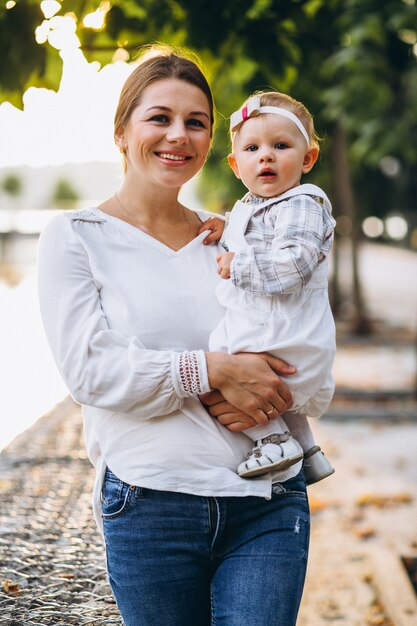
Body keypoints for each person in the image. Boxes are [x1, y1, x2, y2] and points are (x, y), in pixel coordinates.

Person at [38, 46, 310, 626]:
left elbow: (296, 340)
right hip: (149, 503)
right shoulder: (76, 236)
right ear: (121, 131)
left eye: (196, 122)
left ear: (213, 141)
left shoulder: (234, 238)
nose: (178, 136)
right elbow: (91, 372)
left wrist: (273, 384)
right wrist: (213, 371)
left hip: (268, 502)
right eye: (159, 118)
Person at [199, 91, 336, 483]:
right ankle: (309, 450)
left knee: (221, 358)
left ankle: (275, 441)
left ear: (307, 158)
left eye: (280, 145)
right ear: (235, 164)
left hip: (284, 335)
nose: (266, 156)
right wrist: (228, 228)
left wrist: (237, 263)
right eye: (252, 148)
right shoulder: (257, 205)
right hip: (286, 336)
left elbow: (294, 262)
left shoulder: (302, 204)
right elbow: (258, 230)